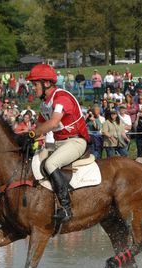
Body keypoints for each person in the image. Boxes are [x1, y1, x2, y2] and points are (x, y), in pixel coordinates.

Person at [25, 64, 89, 222]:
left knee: (51, 164)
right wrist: (24, 137)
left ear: (46, 83)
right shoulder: (45, 104)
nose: (33, 88)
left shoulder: (61, 98)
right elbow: (39, 127)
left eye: (35, 84)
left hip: (76, 141)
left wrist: (33, 133)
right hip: (59, 143)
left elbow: (52, 123)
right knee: (34, 163)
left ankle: (67, 209)